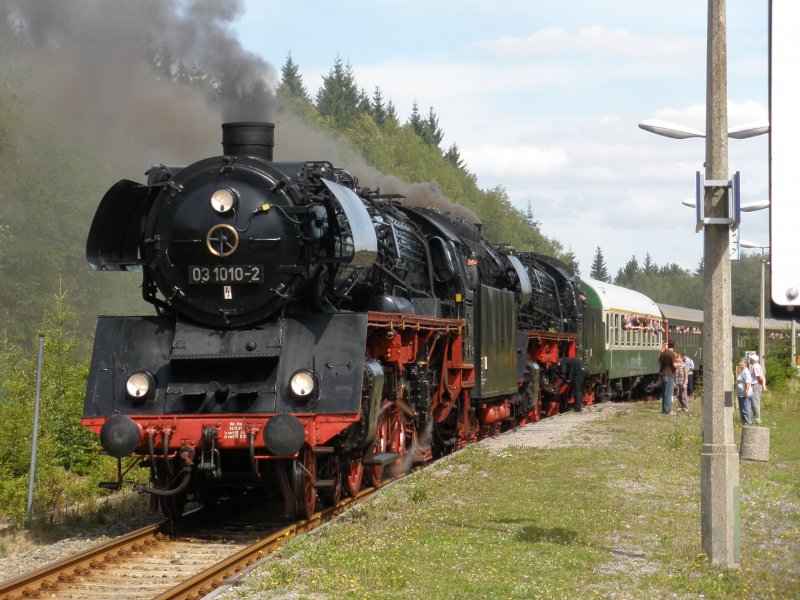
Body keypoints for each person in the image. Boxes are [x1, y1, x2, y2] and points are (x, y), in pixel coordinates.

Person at [658, 340, 680, 414]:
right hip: (669, 375)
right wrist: (679, 363)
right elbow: (674, 365)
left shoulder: (663, 353)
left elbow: (659, 362)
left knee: (664, 393)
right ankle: (668, 410)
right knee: (668, 392)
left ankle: (664, 409)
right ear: (674, 346)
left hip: (662, 374)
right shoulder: (671, 354)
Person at [748, 354, 766, 425]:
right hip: (756, 385)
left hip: (755, 385)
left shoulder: (755, 367)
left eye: (750, 359)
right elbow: (762, 377)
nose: (749, 360)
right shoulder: (756, 366)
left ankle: (757, 420)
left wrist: (762, 385)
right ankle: (756, 419)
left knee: (755, 403)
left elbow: (759, 377)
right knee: (754, 402)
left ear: (753, 360)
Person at [736, 359, 753, 425]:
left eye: (741, 362)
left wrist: (746, 391)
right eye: (739, 362)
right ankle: (743, 423)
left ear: (745, 364)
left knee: (746, 409)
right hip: (740, 394)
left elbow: (748, 382)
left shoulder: (746, 372)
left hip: (745, 394)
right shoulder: (741, 371)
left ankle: (748, 424)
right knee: (741, 409)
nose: (739, 363)